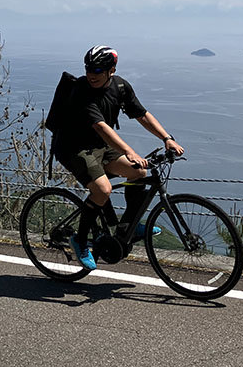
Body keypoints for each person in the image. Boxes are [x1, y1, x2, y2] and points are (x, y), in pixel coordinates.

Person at [54, 45, 185, 270]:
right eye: (88, 69)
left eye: (97, 69)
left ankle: (129, 227)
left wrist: (166, 138)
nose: (91, 74)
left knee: (138, 172)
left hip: (101, 146)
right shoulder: (81, 90)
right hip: (74, 147)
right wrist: (129, 152)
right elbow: (101, 126)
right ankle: (81, 240)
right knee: (103, 190)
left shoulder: (121, 87)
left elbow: (141, 114)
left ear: (111, 70)